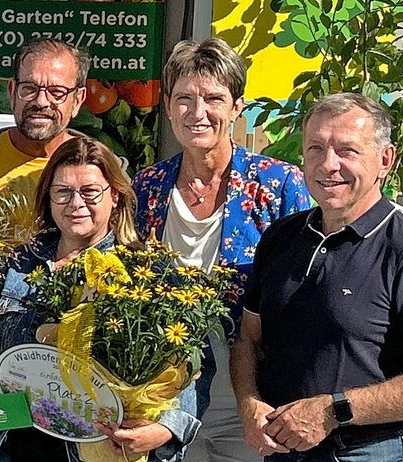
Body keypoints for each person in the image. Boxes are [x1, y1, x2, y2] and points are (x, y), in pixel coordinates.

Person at [0, 137, 200, 462]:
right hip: (16, 448)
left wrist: (166, 430)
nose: (76, 203)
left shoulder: (146, 273)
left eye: (90, 192)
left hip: (103, 450)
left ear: (116, 197)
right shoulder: (16, 265)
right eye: (62, 192)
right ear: (48, 198)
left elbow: (190, 363)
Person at [230, 92, 403, 461]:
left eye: (346, 150)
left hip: (370, 451)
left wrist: (334, 411)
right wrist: (249, 405)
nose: (328, 164)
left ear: (385, 159)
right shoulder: (281, 238)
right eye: (315, 148)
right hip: (281, 449)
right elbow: (249, 341)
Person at [132, 38, 311, 462]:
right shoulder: (146, 188)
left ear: (236, 107)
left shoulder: (278, 183)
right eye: (184, 99)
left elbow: (305, 289)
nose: (198, 113)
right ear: (168, 106)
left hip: (252, 393)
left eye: (213, 99)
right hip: (164, 393)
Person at [0, 39, 118, 243]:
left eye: (57, 92)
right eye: (29, 89)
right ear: (12, 92)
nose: (41, 102)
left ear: (78, 100)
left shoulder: (97, 166)